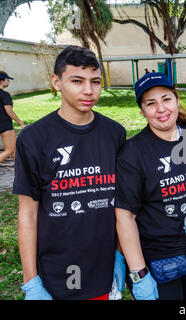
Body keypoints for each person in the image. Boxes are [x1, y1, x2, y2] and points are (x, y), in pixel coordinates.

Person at [13, 46, 127, 300]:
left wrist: (120, 254)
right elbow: (27, 213)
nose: (88, 90)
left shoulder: (114, 134)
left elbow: (122, 203)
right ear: (56, 82)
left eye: (95, 82)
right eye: (77, 81)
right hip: (56, 271)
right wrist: (30, 280)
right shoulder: (33, 138)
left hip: (103, 267)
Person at [114, 72, 186, 300]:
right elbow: (125, 217)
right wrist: (139, 272)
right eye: (150, 103)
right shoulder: (133, 153)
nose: (161, 108)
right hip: (157, 254)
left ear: (177, 100)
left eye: (166, 99)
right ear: (142, 111)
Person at [0, 71, 26, 166]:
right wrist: (21, 123)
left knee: (15, 147)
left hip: (3, 124)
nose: (8, 82)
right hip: (5, 124)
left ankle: (19, 170)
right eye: (7, 80)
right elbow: (9, 111)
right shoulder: (4, 94)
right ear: (2, 81)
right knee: (9, 150)